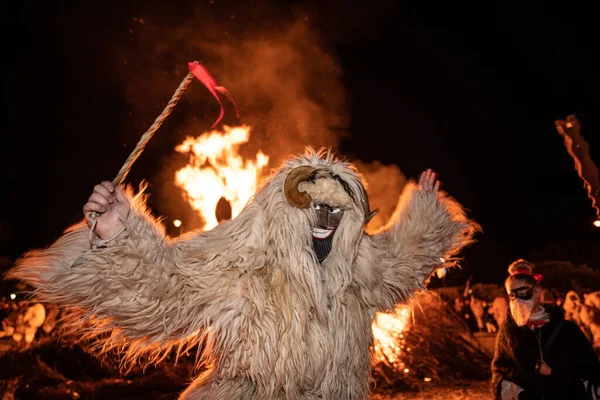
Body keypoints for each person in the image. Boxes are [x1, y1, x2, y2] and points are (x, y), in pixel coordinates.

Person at [8, 148, 479, 399]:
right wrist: (120, 234)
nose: (324, 222)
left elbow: (401, 265)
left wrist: (424, 218)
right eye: (312, 209)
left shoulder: (359, 267)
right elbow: (165, 289)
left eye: (335, 213)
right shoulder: (243, 263)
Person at [492, 259, 600, 400]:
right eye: (512, 295)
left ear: (537, 291)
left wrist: (553, 372)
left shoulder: (566, 330)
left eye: (523, 292)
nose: (517, 300)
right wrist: (509, 388)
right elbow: (500, 369)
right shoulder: (508, 332)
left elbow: (588, 370)